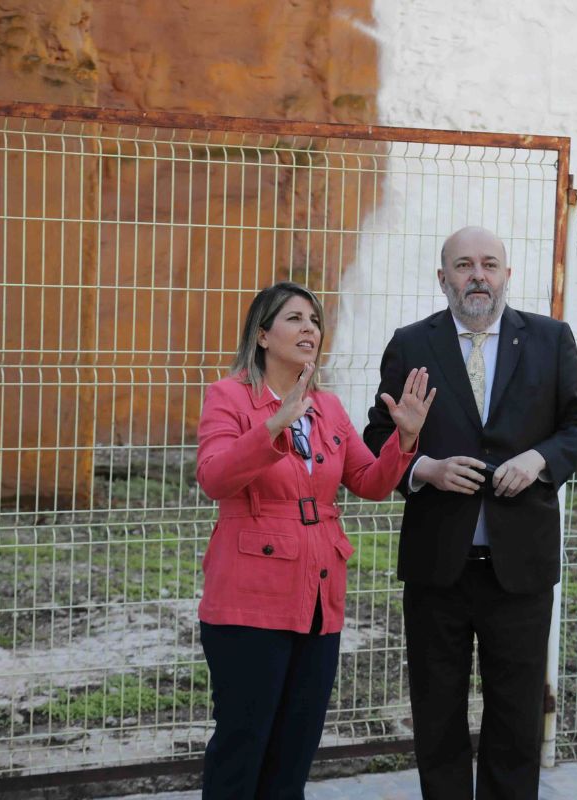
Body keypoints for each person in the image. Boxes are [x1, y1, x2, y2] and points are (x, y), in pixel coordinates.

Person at [364, 227, 577, 799]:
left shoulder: (549, 339)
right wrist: (426, 469)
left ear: (507, 276)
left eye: (489, 264)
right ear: (442, 277)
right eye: (464, 265)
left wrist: (541, 459)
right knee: (437, 716)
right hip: (437, 567)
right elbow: (378, 437)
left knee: (517, 720)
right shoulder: (410, 344)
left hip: (518, 567)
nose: (478, 276)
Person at [195, 281, 435, 799]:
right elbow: (214, 478)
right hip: (249, 602)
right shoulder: (230, 396)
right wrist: (272, 427)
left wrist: (406, 439)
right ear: (262, 334)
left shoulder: (327, 407)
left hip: (318, 598)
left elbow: (371, 482)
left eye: (314, 321)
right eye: (294, 319)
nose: (309, 329)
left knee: (295, 749)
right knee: (243, 745)